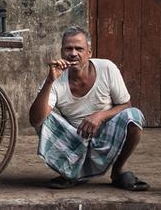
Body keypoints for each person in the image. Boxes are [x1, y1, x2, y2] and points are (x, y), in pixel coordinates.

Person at [29, 26, 149, 191]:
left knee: (134, 116)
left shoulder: (107, 68)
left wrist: (100, 116)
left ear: (89, 53)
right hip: (73, 143)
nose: (73, 53)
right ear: (62, 52)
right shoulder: (56, 78)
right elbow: (35, 120)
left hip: (106, 136)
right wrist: (50, 81)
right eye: (68, 49)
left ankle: (118, 171)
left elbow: (126, 105)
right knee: (44, 118)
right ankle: (71, 173)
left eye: (79, 49)